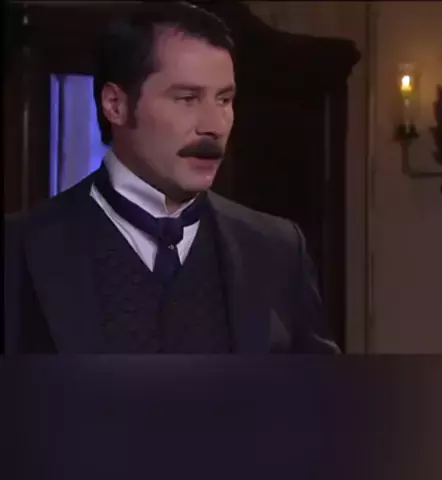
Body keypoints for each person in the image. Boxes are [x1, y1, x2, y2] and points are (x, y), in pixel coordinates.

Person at [3, 2, 339, 354]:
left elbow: (318, 386)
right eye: (187, 98)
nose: (214, 126)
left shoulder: (276, 250)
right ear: (115, 105)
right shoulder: (18, 250)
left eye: (224, 100)